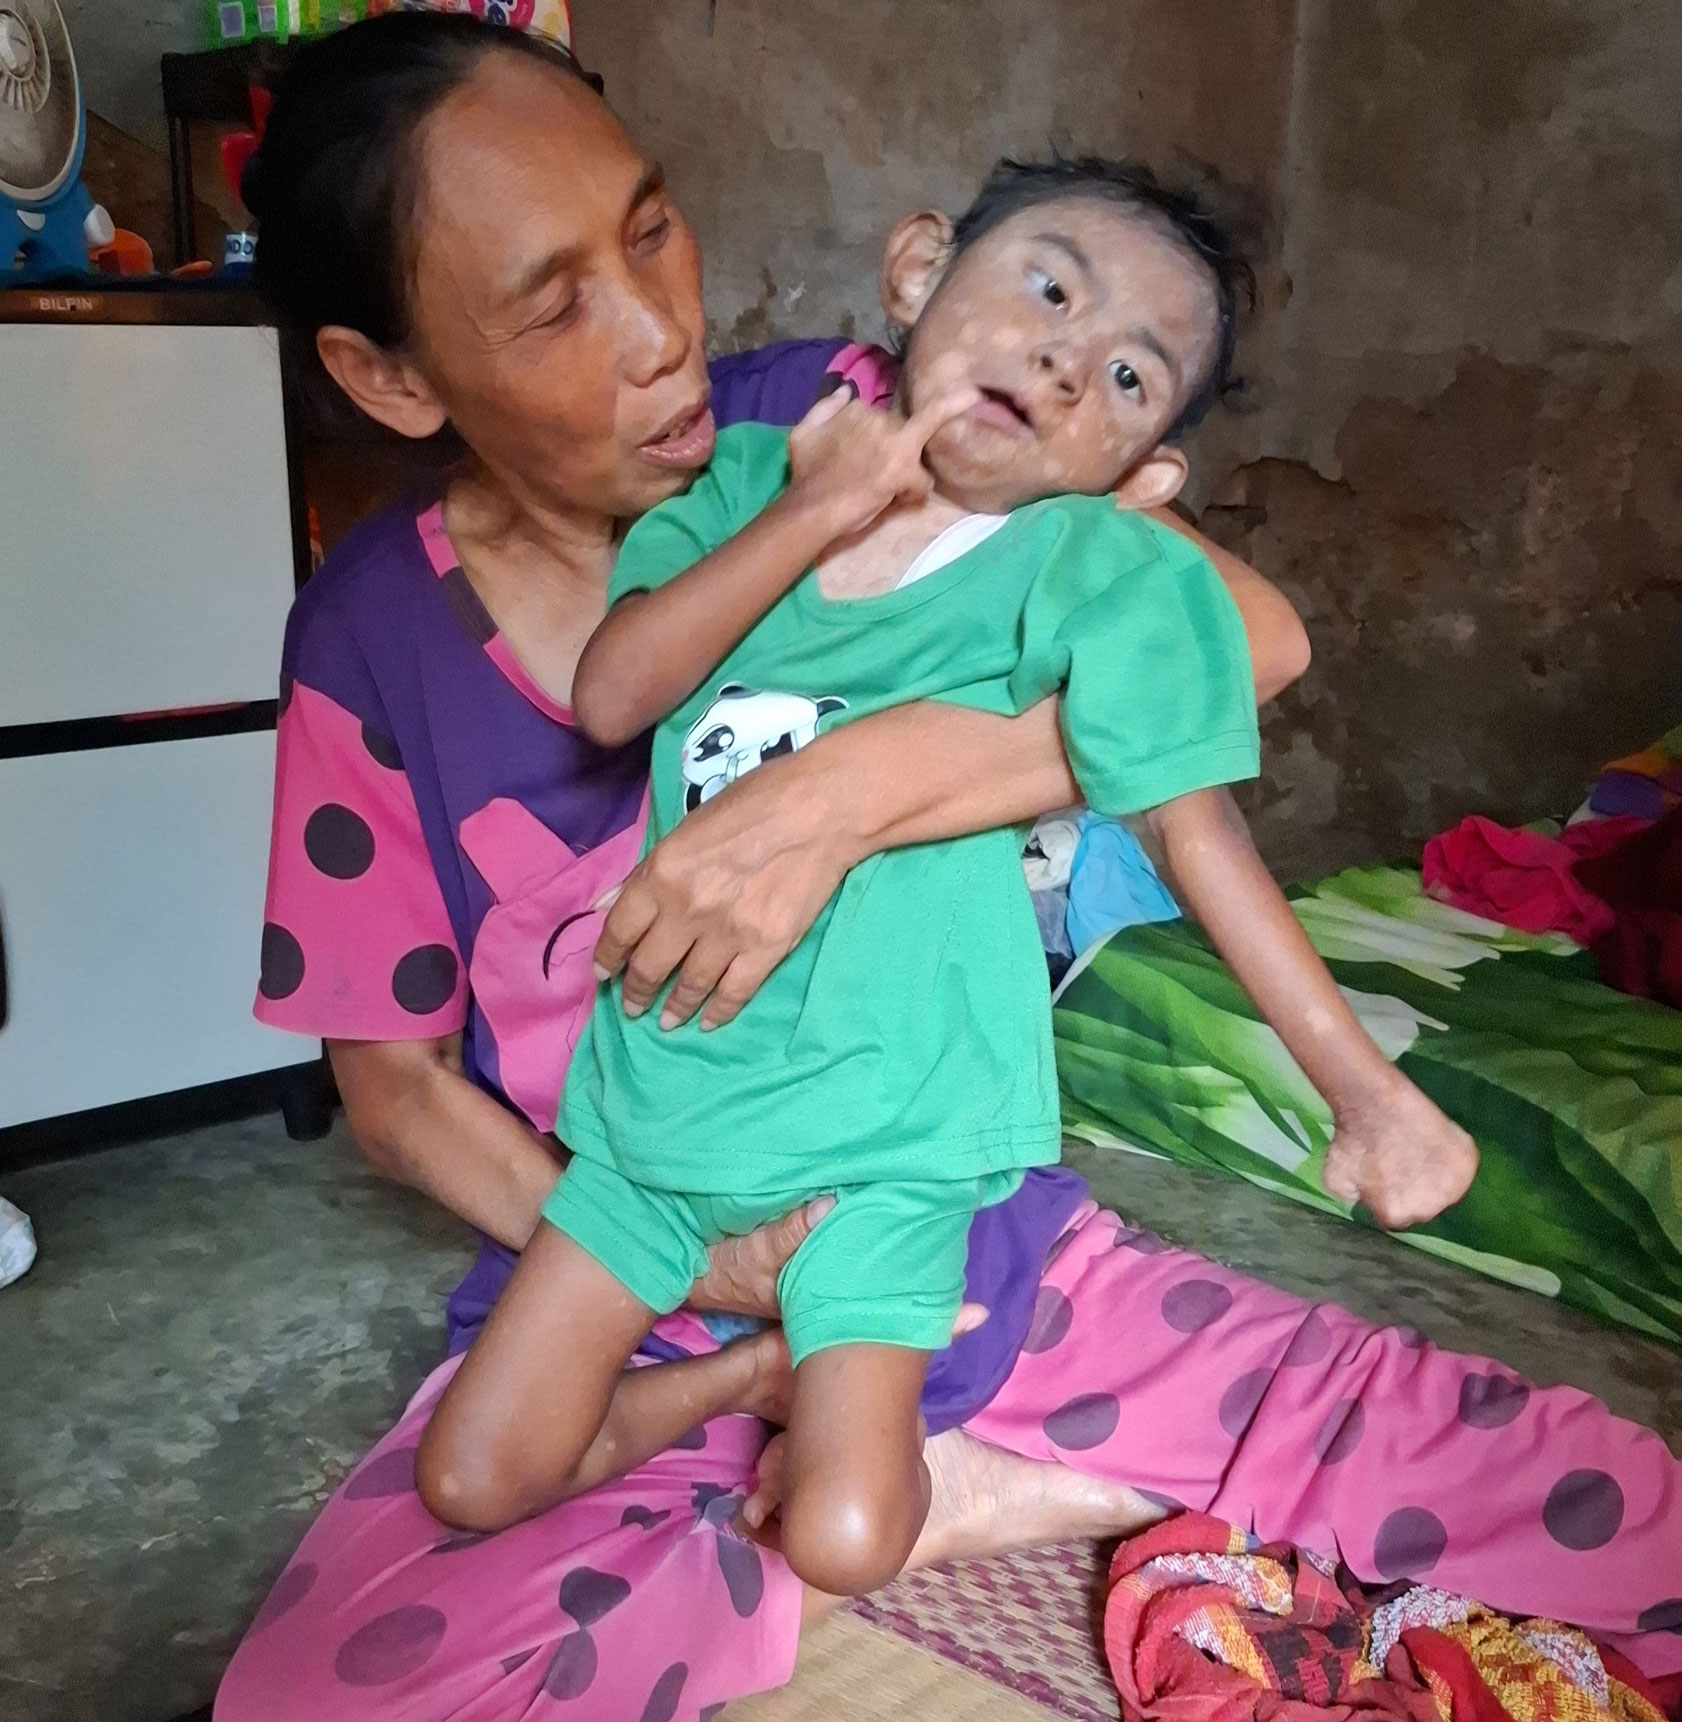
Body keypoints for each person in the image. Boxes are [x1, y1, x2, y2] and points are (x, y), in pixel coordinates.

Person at [215, 19, 1681, 1720]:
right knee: (341, 1683)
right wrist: (707, 1276)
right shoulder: (368, 644)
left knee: (1563, 1502)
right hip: (630, 1248)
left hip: (938, 1223)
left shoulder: (851, 414)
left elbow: (1245, 643)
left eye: (651, 229)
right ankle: (933, 1480)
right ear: (392, 376)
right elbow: (392, 1089)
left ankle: (938, 1471)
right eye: (554, 306)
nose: (662, 333)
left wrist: (856, 787)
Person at [411, 156, 1476, 1601]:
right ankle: (743, 1379)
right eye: (1047, 288)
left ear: (1141, 478)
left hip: (889, 1142)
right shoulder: (742, 480)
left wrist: (1365, 1091)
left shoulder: (1087, 571)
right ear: (916, 272)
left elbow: (1196, 832)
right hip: (661, 1117)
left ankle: (971, 1459)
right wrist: (816, 509)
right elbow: (613, 696)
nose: (1064, 359)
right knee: (472, 1477)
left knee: (843, 1541)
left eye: (1127, 376)